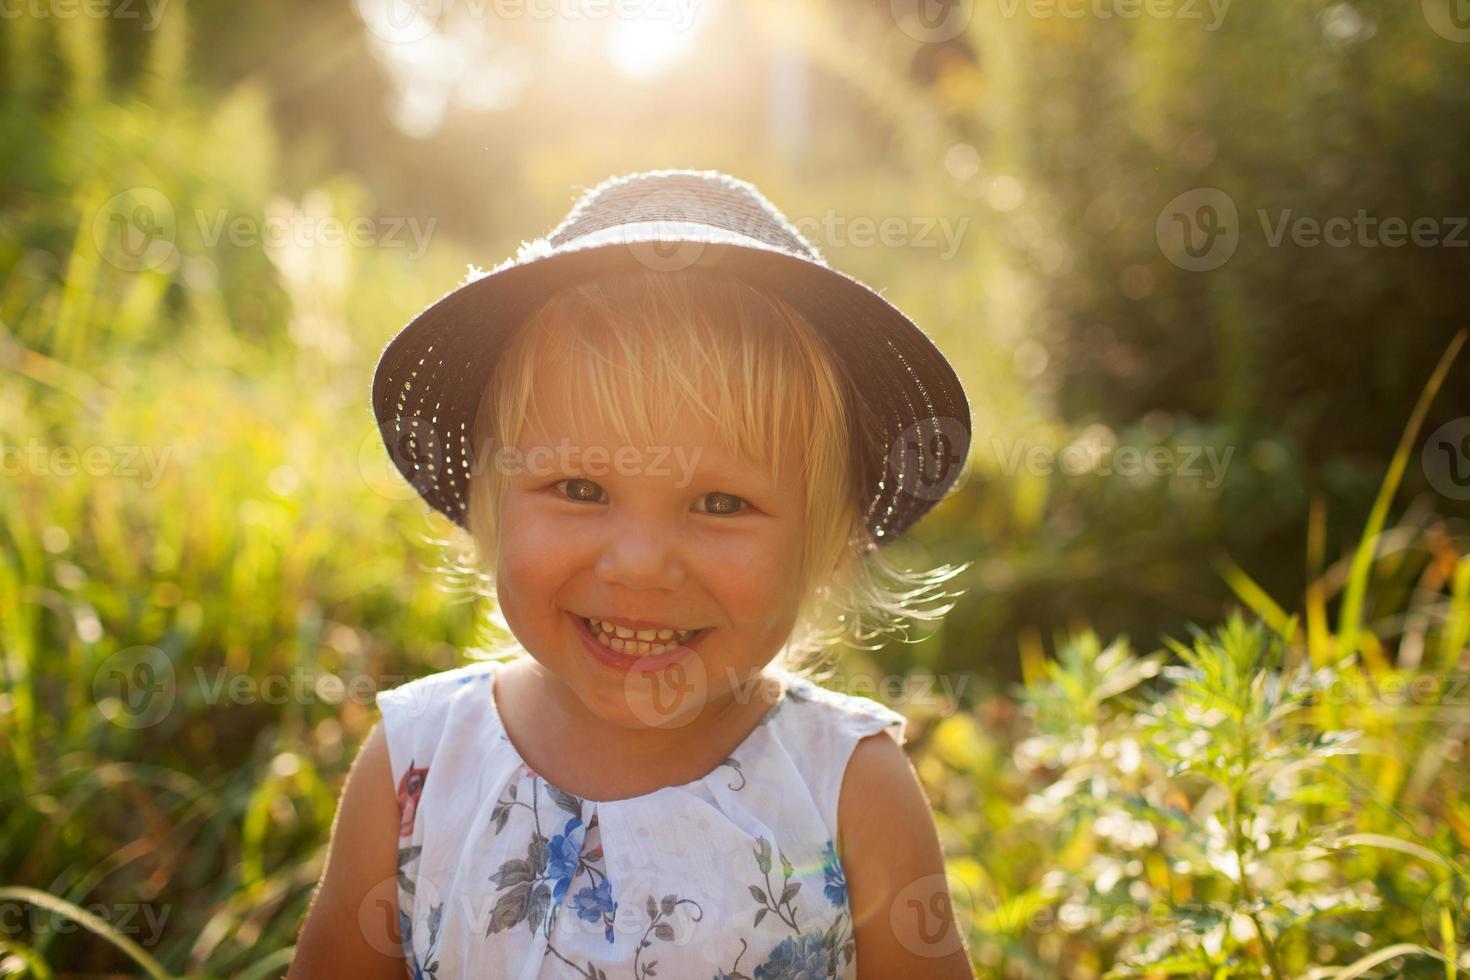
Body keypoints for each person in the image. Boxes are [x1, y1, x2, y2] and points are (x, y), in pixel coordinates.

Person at [288, 169, 976, 979]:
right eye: (580, 491)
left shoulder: (848, 787)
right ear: (491, 504)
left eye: (721, 503)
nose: (641, 564)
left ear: (825, 544)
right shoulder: (418, 767)